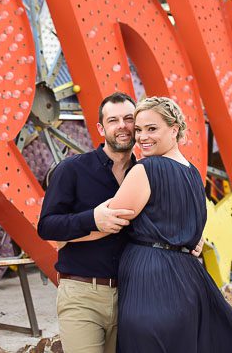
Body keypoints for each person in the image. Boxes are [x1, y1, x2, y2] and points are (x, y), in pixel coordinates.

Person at [96, 96, 232, 353]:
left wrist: (68, 230)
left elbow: (108, 220)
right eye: (138, 130)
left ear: (174, 129)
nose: (142, 137)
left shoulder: (146, 169)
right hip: (188, 277)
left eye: (151, 128)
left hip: (151, 274)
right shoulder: (193, 172)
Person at [37, 92, 138, 353]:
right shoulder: (72, 170)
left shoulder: (146, 175)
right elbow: (47, 226)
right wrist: (93, 219)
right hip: (82, 293)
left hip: (132, 297)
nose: (122, 126)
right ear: (101, 128)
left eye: (129, 118)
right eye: (113, 120)